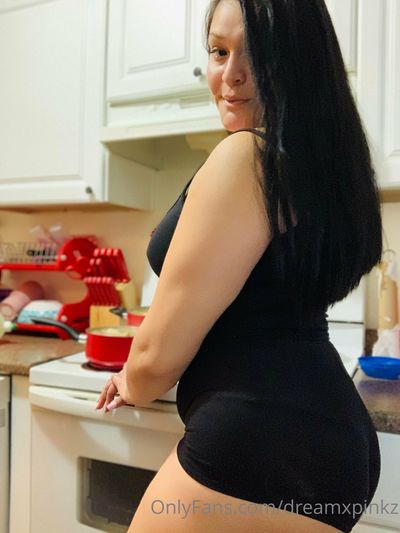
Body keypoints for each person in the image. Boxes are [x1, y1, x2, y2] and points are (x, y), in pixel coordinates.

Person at [96, 0, 382, 531]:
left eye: (258, 52)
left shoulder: (245, 157)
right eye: (219, 51)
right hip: (322, 436)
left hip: (260, 440)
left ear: (299, 59)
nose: (231, 74)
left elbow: (156, 357)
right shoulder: (314, 170)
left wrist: (133, 381)